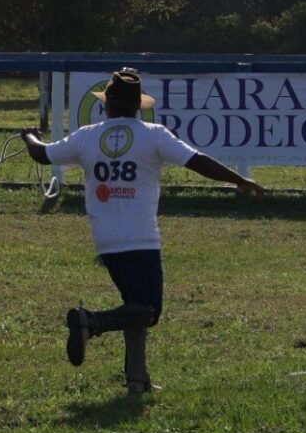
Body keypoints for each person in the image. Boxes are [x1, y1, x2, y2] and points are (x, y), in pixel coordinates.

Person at [20, 67, 265, 394]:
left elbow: (42, 153)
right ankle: (90, 322)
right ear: (138, 107)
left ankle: (138, 379)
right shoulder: (153, 134)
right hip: (141, 238)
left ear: (107, 105)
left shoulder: (86, 136)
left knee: (133, 307)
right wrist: (239, 179)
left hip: (105, 240)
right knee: (148, 311)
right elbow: (197, 161)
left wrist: (29, 136)